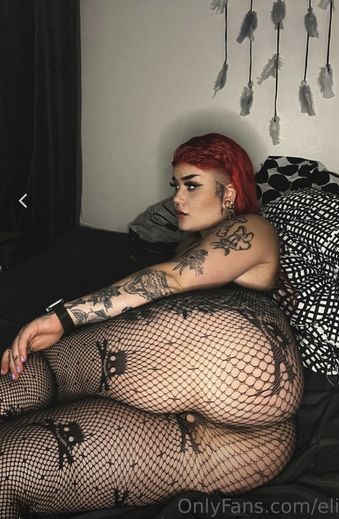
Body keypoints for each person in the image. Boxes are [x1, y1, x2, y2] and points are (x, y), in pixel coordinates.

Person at [0, 133, 304, 517]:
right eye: (175, 186)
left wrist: (64, 315)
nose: (177, 198)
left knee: (47, 368)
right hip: (229, 448)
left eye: (192, 185)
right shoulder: (188, 242)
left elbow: (175, 278)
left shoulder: (253, 228)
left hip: (240, 389)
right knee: (7, 469)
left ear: (229, 192)